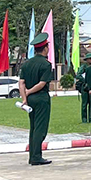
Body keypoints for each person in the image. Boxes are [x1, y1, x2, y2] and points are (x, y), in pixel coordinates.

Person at [18, 34, 54, 166]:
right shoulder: (46, 64)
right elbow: (42, 83)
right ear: (45, 49)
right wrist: (29, 91)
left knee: (33, 127)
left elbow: (21, 82)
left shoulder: (27, 64)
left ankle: (32, 155)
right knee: (40, 128)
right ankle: (36, 156)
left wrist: (24, 98)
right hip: (41, 98)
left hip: (30, 100)